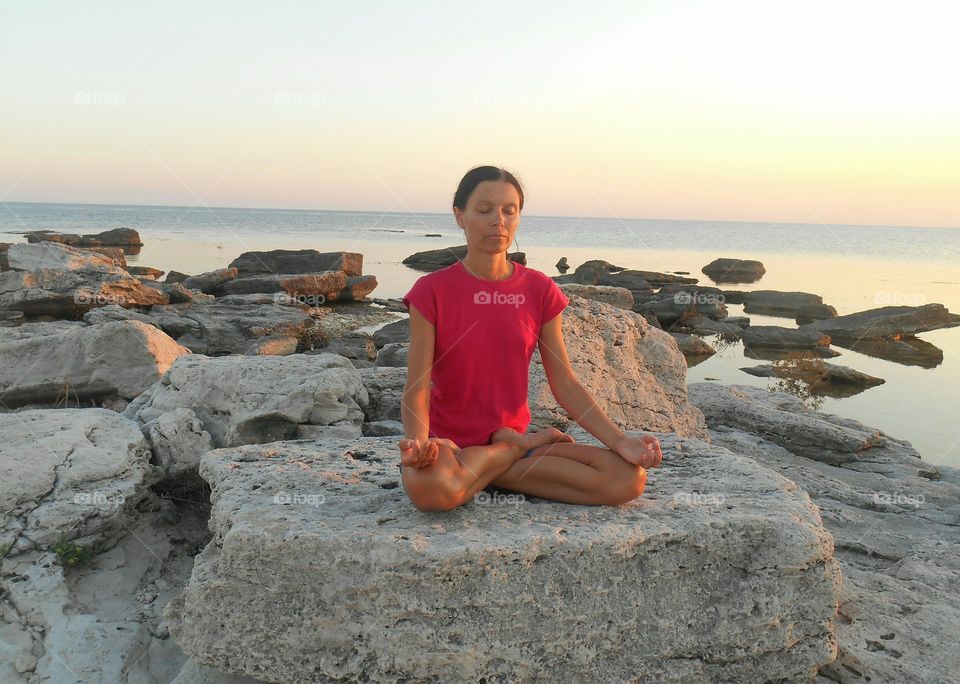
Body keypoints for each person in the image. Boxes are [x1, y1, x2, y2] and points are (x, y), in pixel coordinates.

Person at [398, 165, 663, 512]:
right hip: (448, 447)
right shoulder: (430, 291)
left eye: (510, 211)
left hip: (509, 445)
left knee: (627, 479)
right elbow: (417, 386)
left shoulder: (538, 289)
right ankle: (508, 451)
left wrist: (620, 441)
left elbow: (565, 382)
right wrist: (420, 445)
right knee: (430, 491)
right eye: (484, 210)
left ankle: (491, 463)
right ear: (459, 216)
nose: (499, 220)